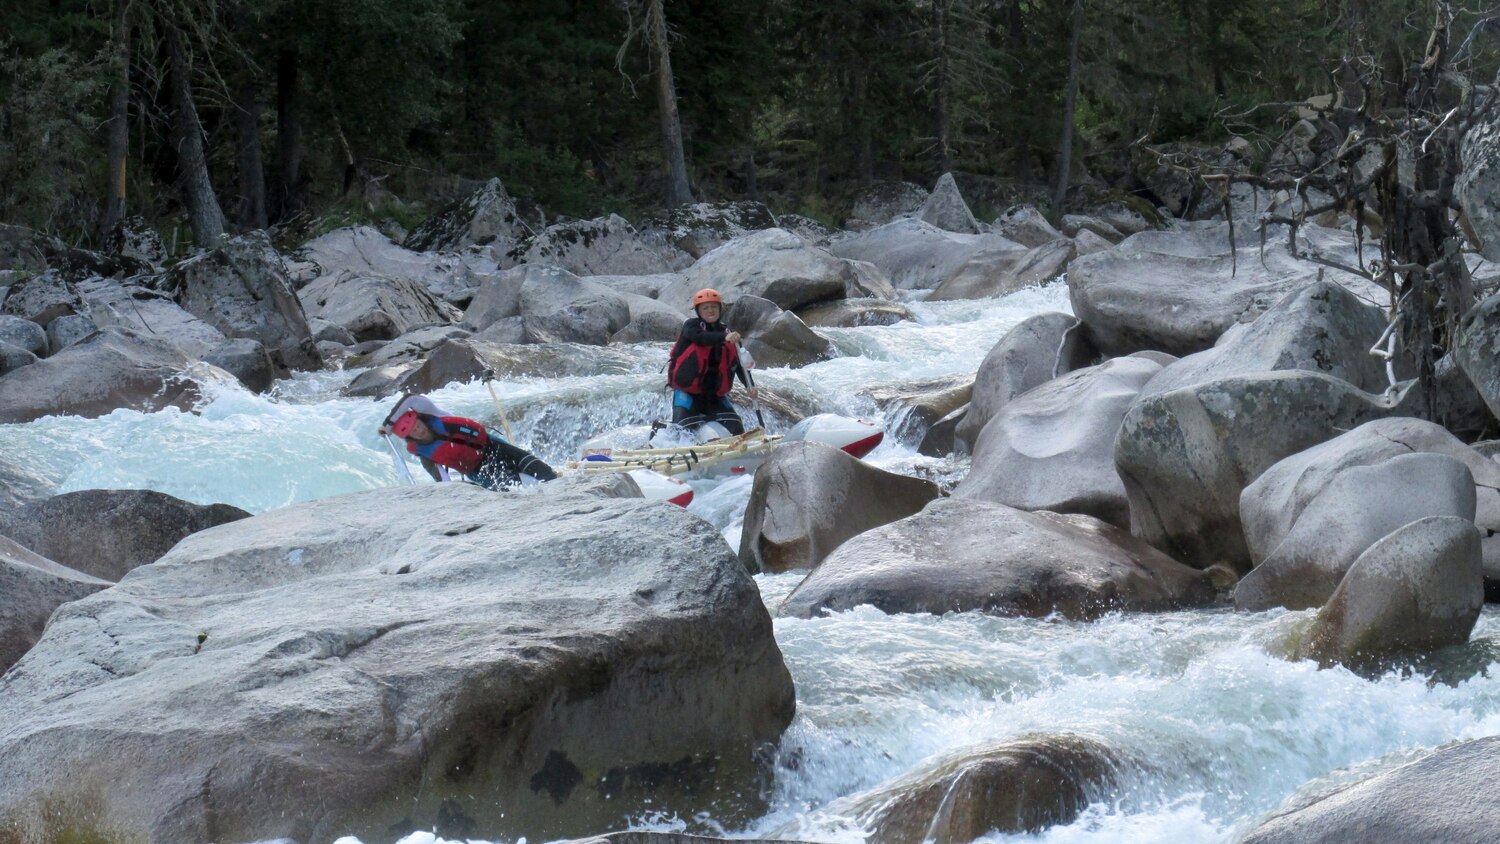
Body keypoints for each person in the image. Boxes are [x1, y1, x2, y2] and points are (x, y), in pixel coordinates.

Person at [387, 407, 558, 491]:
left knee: (543, 472)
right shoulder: (425, 455)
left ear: (422, 420)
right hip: (478, 469)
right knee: (514, 491)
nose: (419, 430)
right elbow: (442, 481)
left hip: (492, 446)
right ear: (411, 437)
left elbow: (411, 399)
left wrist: (386, 425)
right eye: (414, 431)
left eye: (418, 425)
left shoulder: (439, 420)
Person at [665, 288, 756, 437]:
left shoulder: (728, 332)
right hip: (688, 393)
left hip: (714, 396)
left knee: (736, 429)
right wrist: (724, 337)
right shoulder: (691, 326)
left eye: (714, 307)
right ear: (698, 311)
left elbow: (739, 365)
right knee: (682, 433)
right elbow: (701, 338)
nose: (710, 311)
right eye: (705, 308)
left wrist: (750, 386)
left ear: (720, 309)